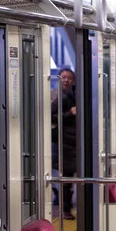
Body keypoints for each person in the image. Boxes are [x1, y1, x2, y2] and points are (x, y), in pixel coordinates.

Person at [51, 68, 77, 220]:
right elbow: (51, 117)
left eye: (69, 78)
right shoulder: (59, 97)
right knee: (66, 177)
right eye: (63, 78)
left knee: (70, 177)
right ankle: (64, 207)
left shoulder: (77, 96)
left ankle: (66, 205)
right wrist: (70, 113)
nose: (66, 80)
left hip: (74, 144)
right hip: (63, 144)